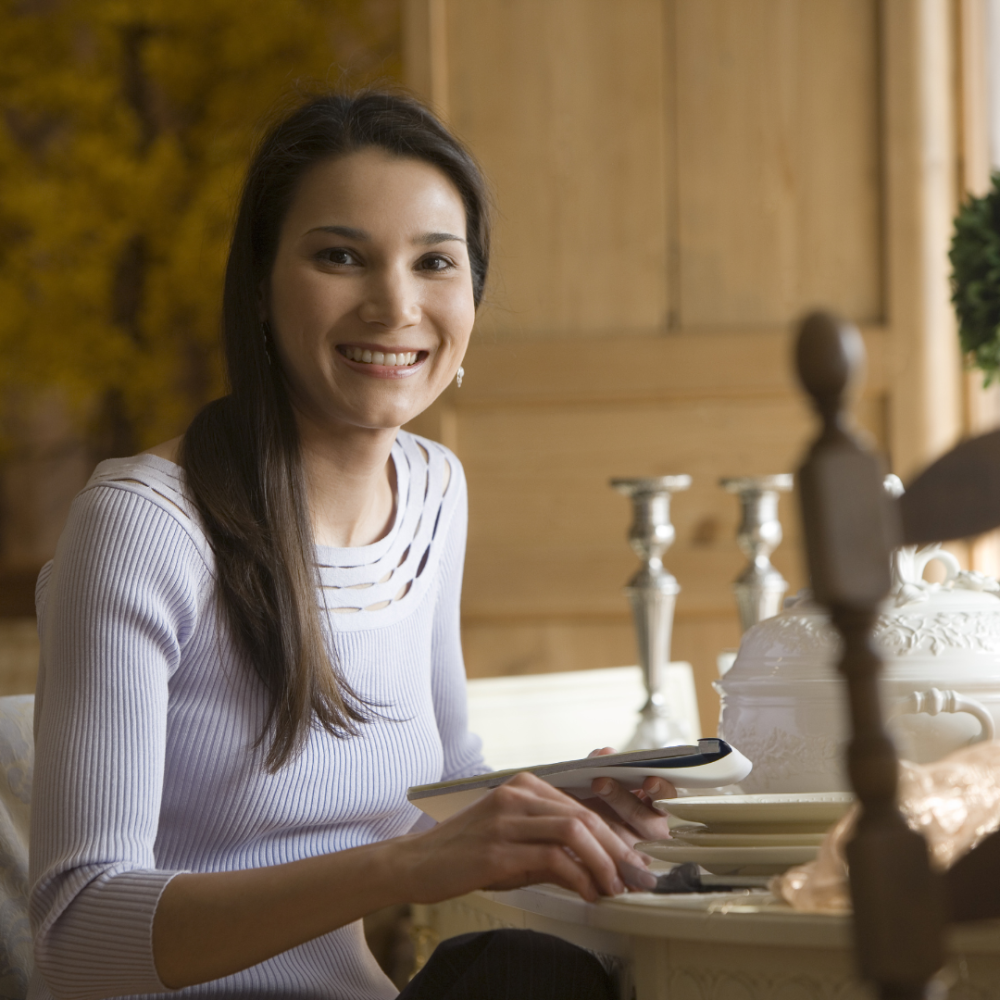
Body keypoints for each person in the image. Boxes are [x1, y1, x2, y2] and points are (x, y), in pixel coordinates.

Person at [27, 91, 674, 1000]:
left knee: (535, 975)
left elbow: (441, 788)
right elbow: (79, 933)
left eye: (434, 263)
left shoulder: (434, 491)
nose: (395, 304)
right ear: (259, 283)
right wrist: (401, 869)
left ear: (472, 299)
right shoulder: (142, 526)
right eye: (341, 257)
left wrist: (561, 813)